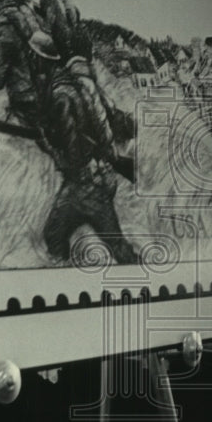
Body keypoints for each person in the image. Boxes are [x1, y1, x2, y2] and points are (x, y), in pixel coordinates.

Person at [28, 32, 138, 265]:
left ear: (41, 59)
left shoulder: (60, 95)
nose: (31, 58)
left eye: (33, 54)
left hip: (86, 184)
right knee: (55, 235)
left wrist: (49, 146)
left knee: (114, 245)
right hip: (91, 180)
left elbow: (72, 146)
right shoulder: (71, 85)